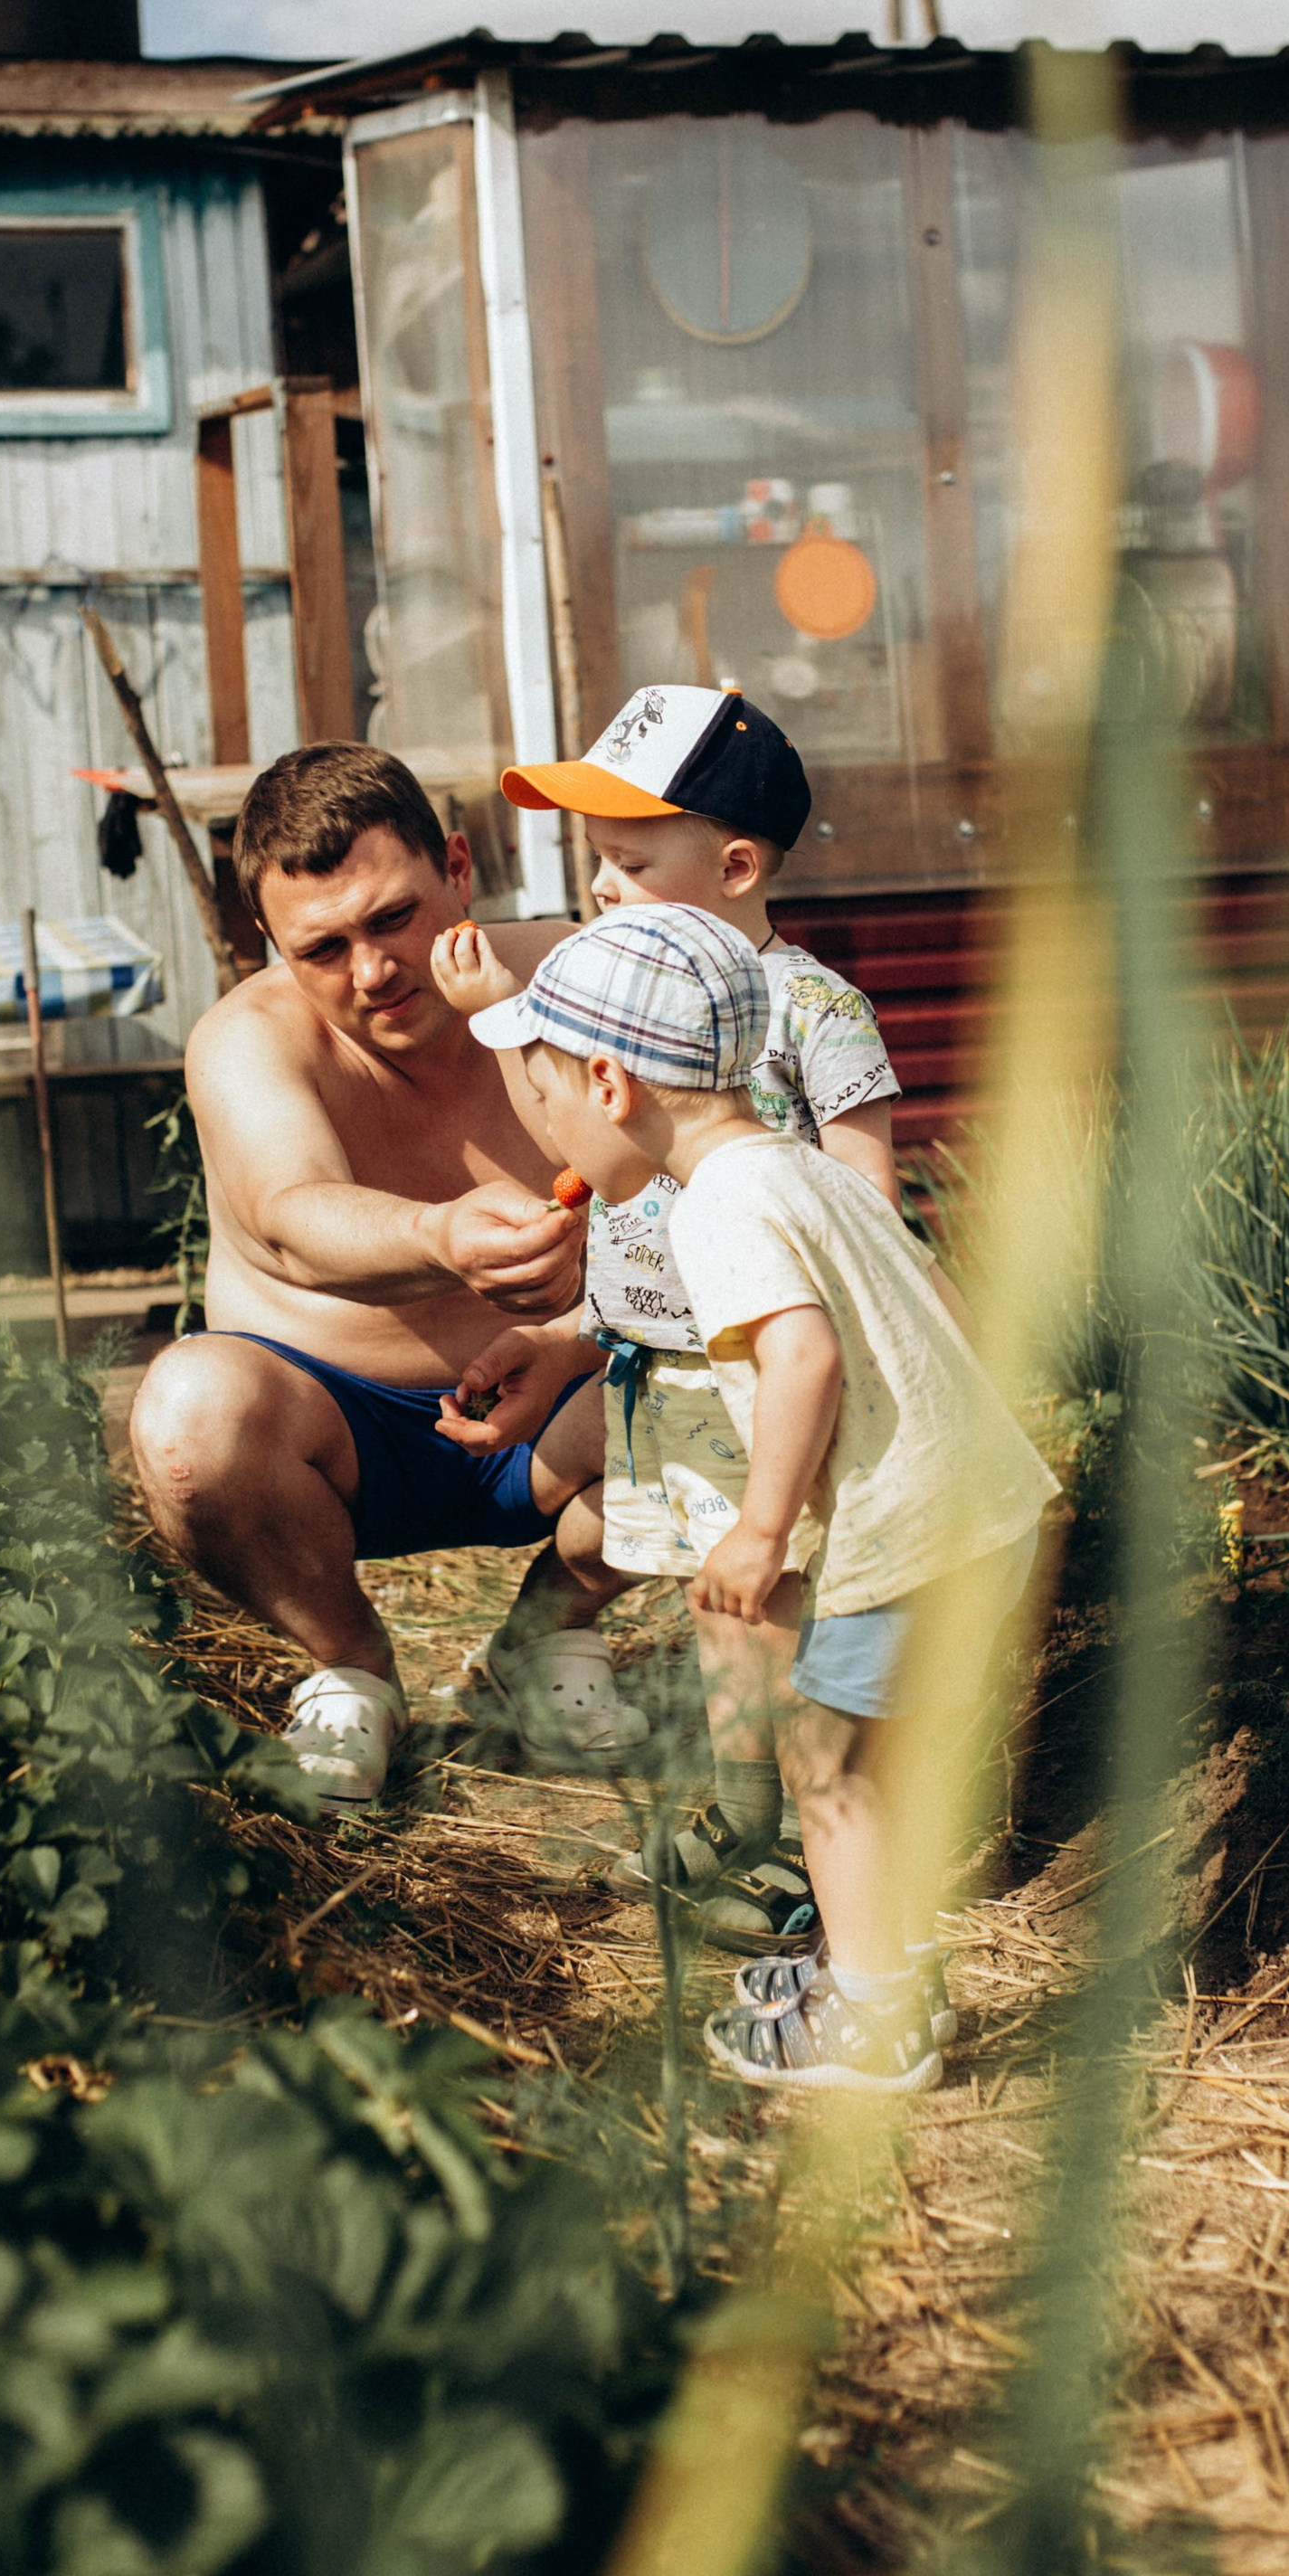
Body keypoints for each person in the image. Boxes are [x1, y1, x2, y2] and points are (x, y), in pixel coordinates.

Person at [465, 901, 1057, 2093]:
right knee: (871, 1771)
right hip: (974, 1513)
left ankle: (876, 2024)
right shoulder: (803, 1170)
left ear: (610, 1084)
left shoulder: (720, 1207)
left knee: (827, 1772)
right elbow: (931, 1299)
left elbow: (805, 1359)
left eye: (543, 1097)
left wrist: (760, 1526)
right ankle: (879, 1972)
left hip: (907, 1537)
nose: (546, 1131)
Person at [432, 681, 918, 1954]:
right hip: (659, 1371)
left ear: (737, 865)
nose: (600, 885)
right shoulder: (615, 998)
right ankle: (746, 1810)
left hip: (765, 1374)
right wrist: (566, 1337)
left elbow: (865, 1201)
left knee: (769, 1610)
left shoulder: (811, 1011)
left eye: (632, 861)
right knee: (709, 1602)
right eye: (596, 857)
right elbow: (594, 1167)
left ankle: (796, 1837)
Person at [128, 743, 635, 1808]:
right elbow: (289, 1216)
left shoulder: (578, 976)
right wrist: (440, 1234)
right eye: (322, 948)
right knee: (189, 1414)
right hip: (339, 1437)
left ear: (457, 868)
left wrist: (575, 1333)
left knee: (759, 1362)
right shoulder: (243, 1040)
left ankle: (545, 1636)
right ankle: (352, 1666)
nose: (372, 972)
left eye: (394, 918)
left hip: (569, 1411)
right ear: (269, 943)